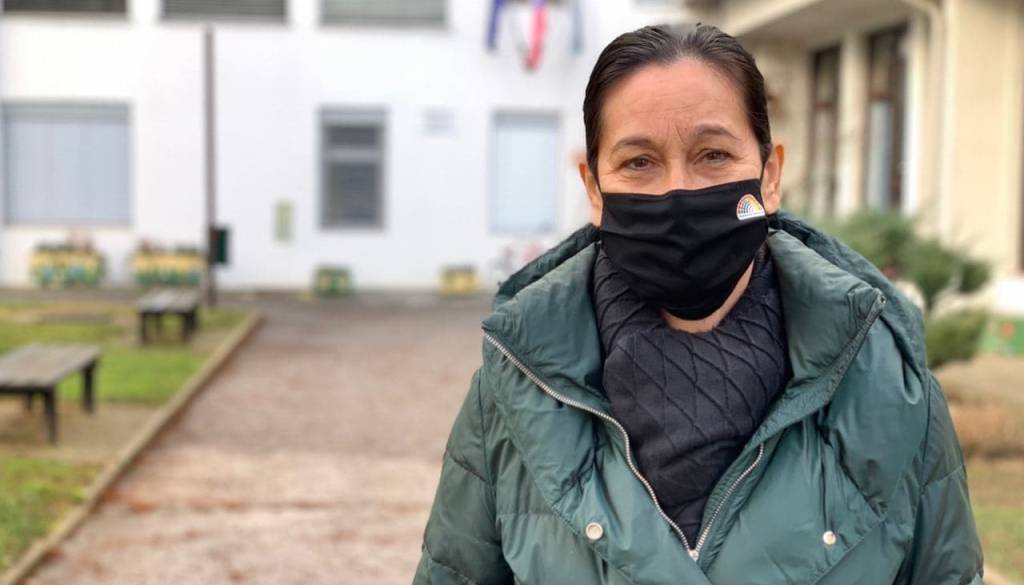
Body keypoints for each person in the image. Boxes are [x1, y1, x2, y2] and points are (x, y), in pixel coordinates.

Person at [413, 23, 984, 585]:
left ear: (770, 176)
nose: (677, 193)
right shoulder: (514, 392)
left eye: (713, 154)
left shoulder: (891, 390)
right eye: (639, 162)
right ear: (594, 190)